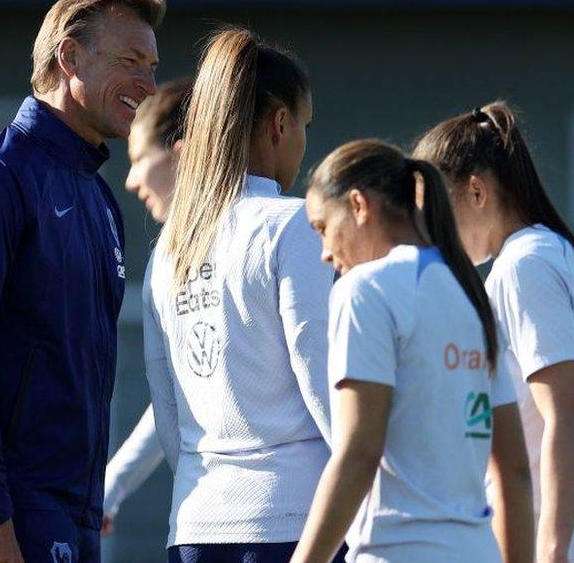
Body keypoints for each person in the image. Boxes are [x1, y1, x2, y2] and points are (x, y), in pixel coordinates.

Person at [0, 0, 164, 561]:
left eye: (152, 69)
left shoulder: (99, 198)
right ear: (69, 57)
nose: (149, 87)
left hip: (75, 506)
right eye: (130, 63)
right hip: (5, 510)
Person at [143, 28, 339, 563]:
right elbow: (321, 379)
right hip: (295, 521)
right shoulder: (293, 224)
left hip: (196, 522)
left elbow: (167, 411)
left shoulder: (169, 247)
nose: (303, 141)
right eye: (303, 125)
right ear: (279, 124)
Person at [291, 139, 533, 563]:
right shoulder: (472, 296)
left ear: (359, 205)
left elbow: (358, 453)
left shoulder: (364, 291)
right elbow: (513, 473)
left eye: (322, 228)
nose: (325, 253)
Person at [414, 102, 574, 563]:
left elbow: (564, 410)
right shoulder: (546, 251)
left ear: (477, 192)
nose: (435, 235)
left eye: (439, 214)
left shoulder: (526, 265)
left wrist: (552, 547)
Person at [102, 78, 190, 538]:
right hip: (205, 525)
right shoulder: (169, 256)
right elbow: (179, 393)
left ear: (181, 152)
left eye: (139, 159)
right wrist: (111, 486)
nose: (131, 179)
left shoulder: (272, 234)